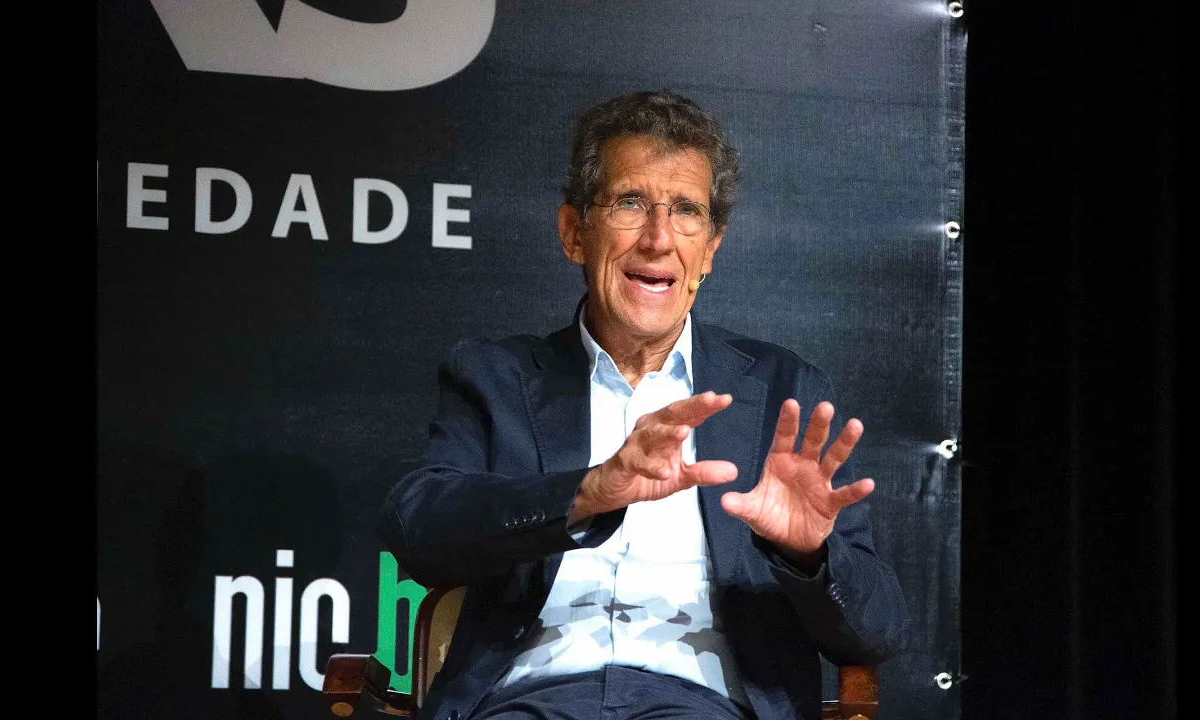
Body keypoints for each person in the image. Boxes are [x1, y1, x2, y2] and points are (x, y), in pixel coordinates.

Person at [377, 90, 909, 720]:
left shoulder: (783, 393)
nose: (658, 239)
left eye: (686, 211)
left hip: (703, 706)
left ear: (710, 250)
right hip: (526, 702)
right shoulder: (497, 380)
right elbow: (416, 531)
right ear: (574, 233)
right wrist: (586, 494)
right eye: (630, 202)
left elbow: (878, 632)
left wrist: (810, 556)